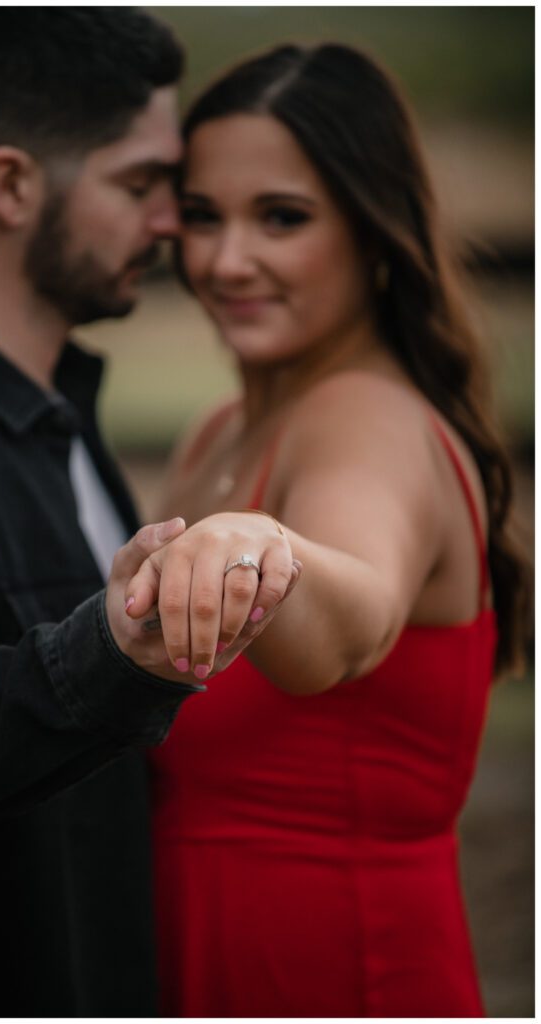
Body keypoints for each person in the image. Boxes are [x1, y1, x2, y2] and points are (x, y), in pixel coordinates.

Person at [0, 10, 300, 1017]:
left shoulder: (52, 413)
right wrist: (116, 651)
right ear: (12, 185)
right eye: (140, 183)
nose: (168, 223)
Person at [126, 43, 531, 1016]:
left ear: (370, 226)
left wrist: (260, 545)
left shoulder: (370, 419)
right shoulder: (218, 429)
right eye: (202, 215)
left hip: (340, 976)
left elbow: (350, 620)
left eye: (281, 217)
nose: (226, 260)